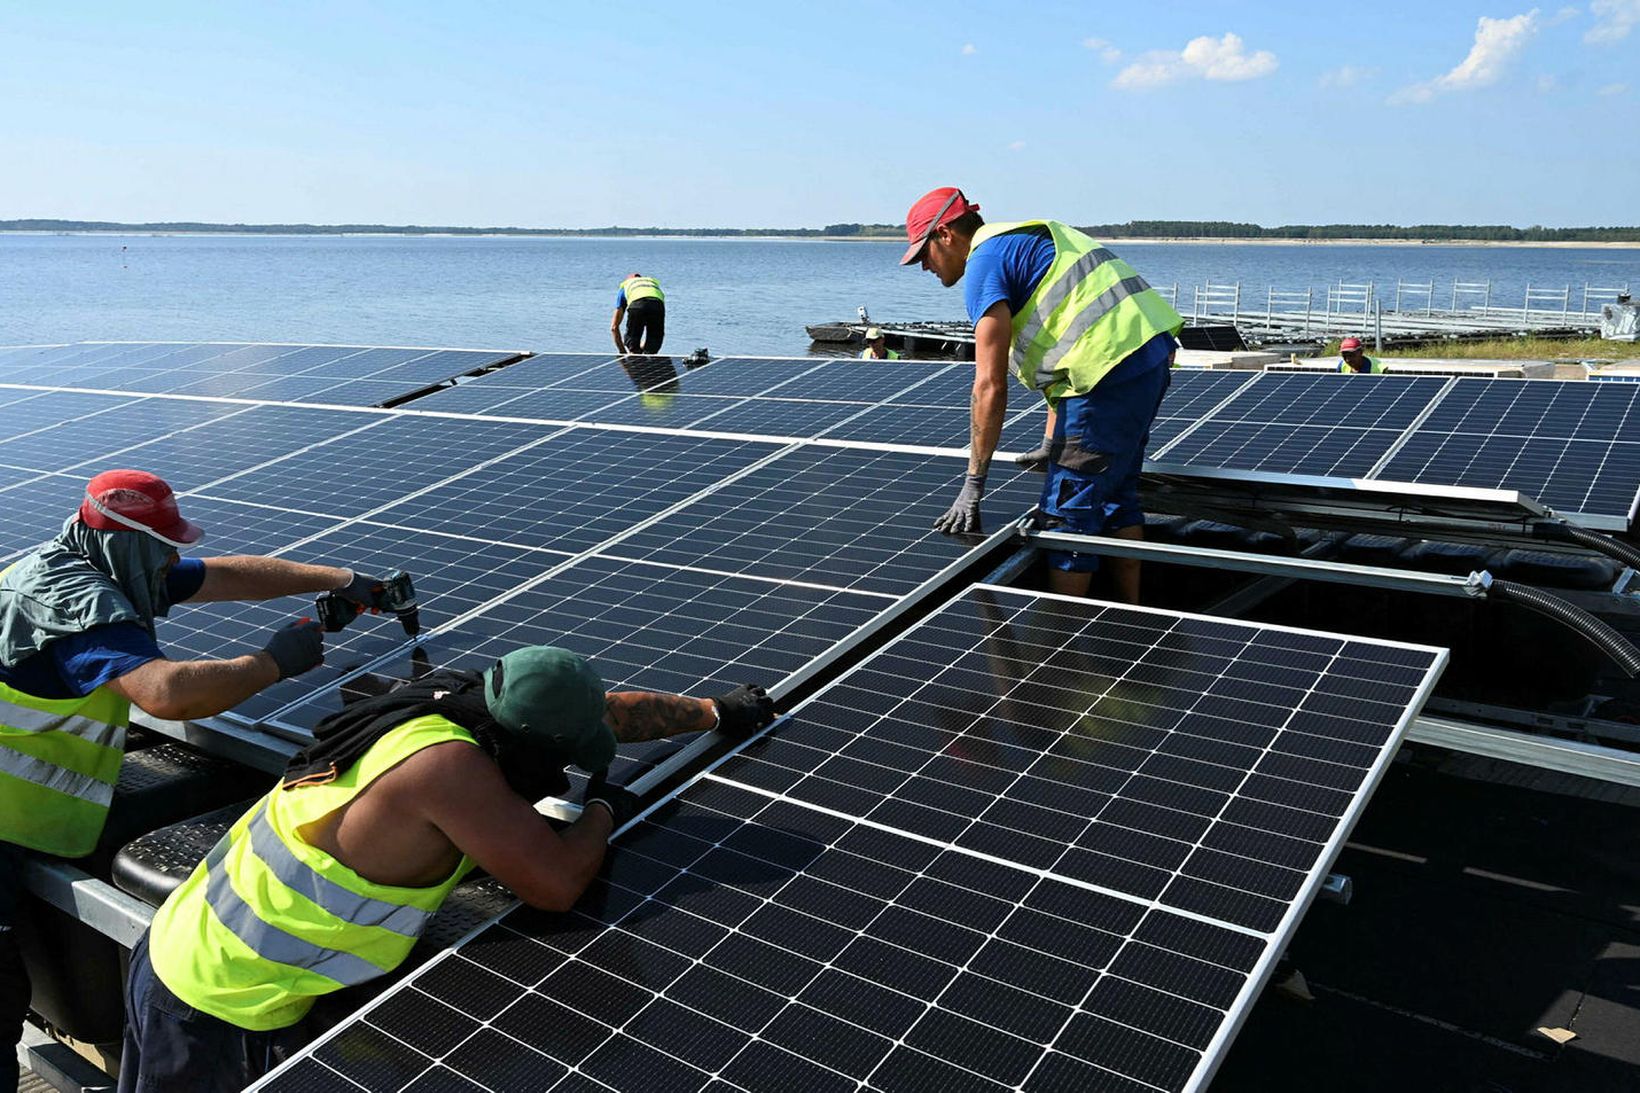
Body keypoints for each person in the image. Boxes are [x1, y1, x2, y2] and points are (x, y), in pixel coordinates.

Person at [118, 646, 776, 1092]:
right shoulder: (446, 769)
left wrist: (714, 710)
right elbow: (556, 883)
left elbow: (604, 711)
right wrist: (601, 806)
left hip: (189, 938)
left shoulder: (460, 702)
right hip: (217, 999)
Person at [0, 469, 393, 1091]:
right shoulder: (78, 602)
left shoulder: (95, 557)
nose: (174, 559)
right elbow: (165, 695)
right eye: (164, 546)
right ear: (128, 540)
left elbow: (226, 574)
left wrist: (343, 581)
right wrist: (270, 662)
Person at [900, 186, 1183, 603]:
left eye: (924, 253)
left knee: (1068, 513)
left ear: (946, 235)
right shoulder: (1024, 239)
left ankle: (1062, 641)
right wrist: (1053, 441)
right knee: (1117, 493)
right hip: (1146, 357)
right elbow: (1063, 344)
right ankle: (1132, 611)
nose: (924, 266)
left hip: (1104, 374)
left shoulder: (984, 264)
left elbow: (989, 385)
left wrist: (974, 484)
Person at [610, 272, 666, 356]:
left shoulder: (626, 286)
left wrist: (623, 353)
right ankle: (647, 359)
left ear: (628, 279)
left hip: (637, 306)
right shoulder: (652, 284)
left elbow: (614, 327)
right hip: (657, 305)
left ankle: (636, 358)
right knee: (653, 343)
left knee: (633, 343)